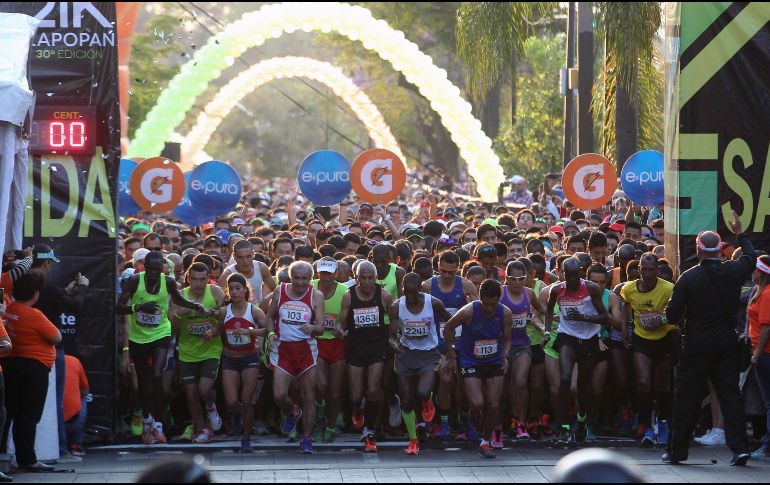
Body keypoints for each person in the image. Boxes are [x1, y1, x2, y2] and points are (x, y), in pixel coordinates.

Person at [664, 212, 754, 466]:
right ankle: (740, 448)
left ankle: (677, 451)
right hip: (726, 342)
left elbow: (671, 315)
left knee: (687, 397)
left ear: (698, 250)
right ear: (720, 250)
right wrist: (740, 233)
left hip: (696, 343)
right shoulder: (734, 271)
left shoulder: (688, 277)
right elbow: (750, 257)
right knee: (730, 395)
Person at [116, 251, 211, 445]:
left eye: (157, 269)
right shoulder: (134, 281)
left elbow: (178, 299)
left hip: (161, 332)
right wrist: (138, 308)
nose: (154, 273)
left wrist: (195, 306)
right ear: (144, 267)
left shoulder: (168, 282)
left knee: (157, 374)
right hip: (138, 336)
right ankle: (147, 420)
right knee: (143, 381)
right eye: (151, 269)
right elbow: (117, 307)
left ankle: (158, 425)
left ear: (162, 269)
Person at [444, 279, 513, 459]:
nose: (489, 309)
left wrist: (505, 355)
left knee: (494, 404)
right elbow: (448, 327)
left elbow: (507, 339)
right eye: (485, 304)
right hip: (470, 361)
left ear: (499, 300)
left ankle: (485, 441)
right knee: (477, 404)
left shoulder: (505, 313)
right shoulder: (469, 311)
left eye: (493, 304)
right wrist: (451, 354)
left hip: (494, 361)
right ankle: (469, 417)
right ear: (479, 298)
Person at [0, 273, 61, 472]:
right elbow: (56, 337)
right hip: (34, 367)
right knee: (29, 415)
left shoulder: (9, 309)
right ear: (35, 294)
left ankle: (8, 456)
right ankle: (28, 459)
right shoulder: (33, 314)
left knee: (11, 412)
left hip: (11, 364)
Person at [545, 257, 610, 443]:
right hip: (567, 337)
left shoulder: (591, 288)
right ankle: (564, 425)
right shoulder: (557, 289)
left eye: (576, 275)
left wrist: (584, 318)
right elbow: (549, 310)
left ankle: (581, 421)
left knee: (583, 385)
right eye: (569, 276)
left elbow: (605, 317)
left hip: (589, 339)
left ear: (581, 273)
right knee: (565, 378)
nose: (573, 279)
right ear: (563, 274)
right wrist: (547, 331)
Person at [264, 261, 326, 454]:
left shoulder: (316, 295)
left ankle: (306, 439)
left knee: (309, 396)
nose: (300, 282)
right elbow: (269, 317)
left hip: (306, 349)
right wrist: (270, 334)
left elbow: (321, 328)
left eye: (304, 279)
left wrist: (313, 327)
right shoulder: (280, 291)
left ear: (311, 278)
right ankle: (293, 411)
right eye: (296, 278)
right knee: (279, 395)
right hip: (283, 349)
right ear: (290, 277)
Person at [389, 273, 451, 455]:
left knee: (422, 392)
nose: (410, 297)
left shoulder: (434, 303)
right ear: (402, 290)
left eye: (413, 293)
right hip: (405, 354)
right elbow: (391, 336)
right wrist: (395, 346)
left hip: (428, 353)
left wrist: (449, 346)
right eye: (406, 292)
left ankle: (427, 401)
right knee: (406, 400)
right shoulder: (396, 307)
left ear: (420, 290)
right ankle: (413, 439)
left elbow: (450, 321)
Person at [620, 253, 675, 447]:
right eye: (643, 269)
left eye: (651, 270)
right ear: (639, 269)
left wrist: (661, 320)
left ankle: (663, 421)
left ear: (657, 271)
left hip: (664, 339)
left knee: (661, 386)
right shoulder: (629, 289)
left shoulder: (668, 289)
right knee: (643, 382)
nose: (647, 273)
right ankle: (647, 426)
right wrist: (624, 330)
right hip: (641, 339)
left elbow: (679, 312)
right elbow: (626, 308)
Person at [422, 251, 478, 439]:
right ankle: (444, 421)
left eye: (451, 272)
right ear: (438, 268)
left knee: (463, 383)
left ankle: (464, 420)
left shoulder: (466, 285)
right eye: (443, 271)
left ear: (458, 270)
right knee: (445, 379)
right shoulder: (428, 286)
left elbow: (477, 311)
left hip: (461, 341)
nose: (446, 275)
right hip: (437, 341)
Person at [340, 261, 394, 453]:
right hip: (356, 347)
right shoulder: (349, 296)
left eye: (371, 278)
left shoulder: (384, 295)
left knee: (373, 390)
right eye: (363, 278)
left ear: (376, 278)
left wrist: (392, 337)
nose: (367, 281)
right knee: (355, 396)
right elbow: (342, 323)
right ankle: (358, 408)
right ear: (356, 278)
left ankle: (369, 430)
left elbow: (395, 318)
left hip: (377, 347)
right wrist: (339, 330)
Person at [171, 262, 226, 444]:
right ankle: (202, 428)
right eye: (195, 279)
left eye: (203, 279)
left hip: (211, 350)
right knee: (190, 393)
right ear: (188, 278)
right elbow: (173, 328)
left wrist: (213, 321)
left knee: (204, 389)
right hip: (187, 351)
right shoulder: (180, 296)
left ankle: (210, 406)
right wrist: (181, 313)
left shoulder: (216, 292)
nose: (199, 283)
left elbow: (226, 318)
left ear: (208, 278)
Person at [211, 273, 266, 452]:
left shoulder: (254, 311)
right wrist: (211, 333)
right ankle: (239, 415)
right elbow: (221, 328)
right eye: (231, 289)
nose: (234, 292)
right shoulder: (224, 311)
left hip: (249, 359)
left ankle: (246, 438)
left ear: (245, 290)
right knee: (231, 401)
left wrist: (249, 331)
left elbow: (267, 329)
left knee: (246, 399)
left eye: (238, 288)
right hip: (230, 359)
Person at [500, 261, 545, 444]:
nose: (517, 282)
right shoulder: (500, 293)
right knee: (504, 387)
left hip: (522, 345)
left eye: (521, 279)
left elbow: (541, 309)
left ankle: (521, 423)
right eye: (513, 279)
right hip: (502, 347)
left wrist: (556, 317)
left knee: (520, 382)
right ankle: (505, 421)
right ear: (507, 278)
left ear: (526, 278)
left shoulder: (529, 293)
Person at [310, 258, 348, 443]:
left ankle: (331, 425)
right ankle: (319, 419)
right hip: (316, 342)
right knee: (321, 386)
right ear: (318, 273)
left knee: (334, 391)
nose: (325, 277)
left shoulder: (344, 291)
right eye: (323, 273)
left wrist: (341, 328)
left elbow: (348, 318)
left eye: (329, 273)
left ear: (336, 274)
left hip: (337, 344)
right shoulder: (309, 287)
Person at [748, 254, 770, 458]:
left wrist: (757, 353)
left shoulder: (767, 294)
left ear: (761, 273)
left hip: (765, 353)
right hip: (762, 351)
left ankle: (768, 447)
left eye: (755, 269)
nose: (752, 272)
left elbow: (766, 327)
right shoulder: (759, 291)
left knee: (769, 402)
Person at [218, 240, 275, 304]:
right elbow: (219, 300)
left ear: (253, 254)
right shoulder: (227, 274)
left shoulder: (261, 268)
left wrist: (265, 304)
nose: (245, 261)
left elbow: (275, 291)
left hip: (257, 309)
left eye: (248, 256)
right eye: (240, 257)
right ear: (234, 257)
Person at [63, 354, 89, 457]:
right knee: (83, 398)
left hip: (51, 424)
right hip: (71, 421)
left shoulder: (43, 361)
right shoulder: (74, 361)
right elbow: (85, 391)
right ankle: (75, 445)